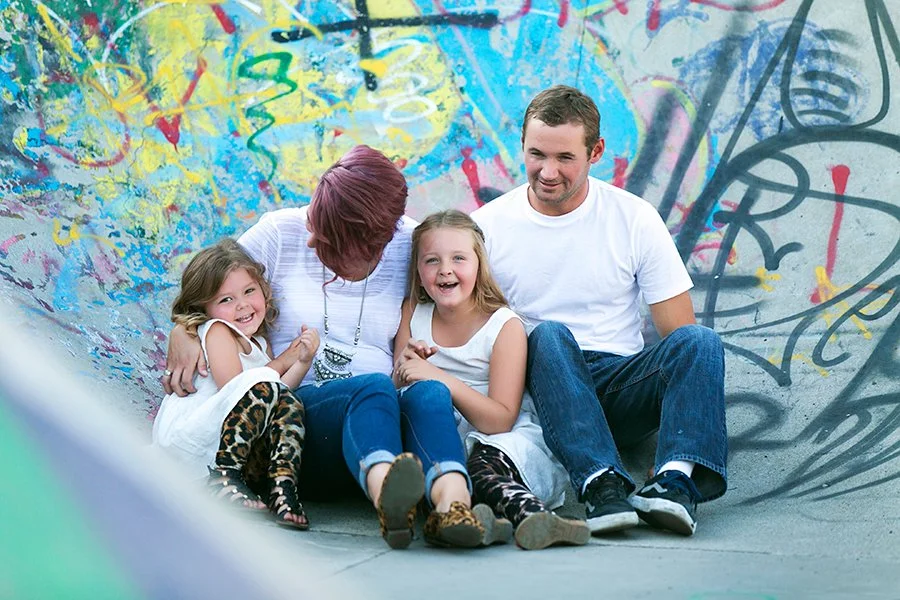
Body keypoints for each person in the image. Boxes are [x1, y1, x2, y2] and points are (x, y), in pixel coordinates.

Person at [163, 145, 489, 549]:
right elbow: (210, 290)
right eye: (315, 223)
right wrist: (185, 329)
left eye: (329, 239)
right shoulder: (280, 234)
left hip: (380, 416)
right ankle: (388, 496)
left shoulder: (410, 245)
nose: (313, 240)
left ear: (377, 244)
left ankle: (452, 509)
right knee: (372, 386)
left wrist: (418, 355)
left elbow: (467, 293)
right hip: (297, 430)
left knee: (429, 392)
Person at [471, 85, 727, 537]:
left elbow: (677, 335)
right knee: (547, 335)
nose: (548, 172)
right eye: (536, 155)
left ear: (596, 152)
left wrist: (675, 413)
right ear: (523, 148)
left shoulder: (633, 217)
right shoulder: (488, 226)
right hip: (541, 388)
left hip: (617, 382)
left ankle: (675, 483)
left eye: (565, 158)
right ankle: (601, 487)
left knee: (700, 341)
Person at [393, 209, 591, 550]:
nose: (445, 270)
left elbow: (499, 420)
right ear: (418, 271)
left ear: (479, 264)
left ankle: (535, 517)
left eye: (459, 258)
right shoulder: (414, 311)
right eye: (431, 260)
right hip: (439, 441)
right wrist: (409, 365)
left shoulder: (504, 326)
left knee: (480, 466)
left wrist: (437, 376)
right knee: (449, 476)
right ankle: (490, 525)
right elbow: (399, 380)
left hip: (502, 443)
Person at [153, 238, 318, 529]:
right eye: (225, 299)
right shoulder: (217, 331)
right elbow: (238, 389)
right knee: (265, 388)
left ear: (264, 292)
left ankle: (282, 485)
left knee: (289, 402)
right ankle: (223, 476)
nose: (242, 305)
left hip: (230, 446)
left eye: (249, 291)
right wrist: (283, 360)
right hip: (193, 442)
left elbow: (277, 394)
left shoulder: (259, 344)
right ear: (204, 306)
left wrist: (302, 360)